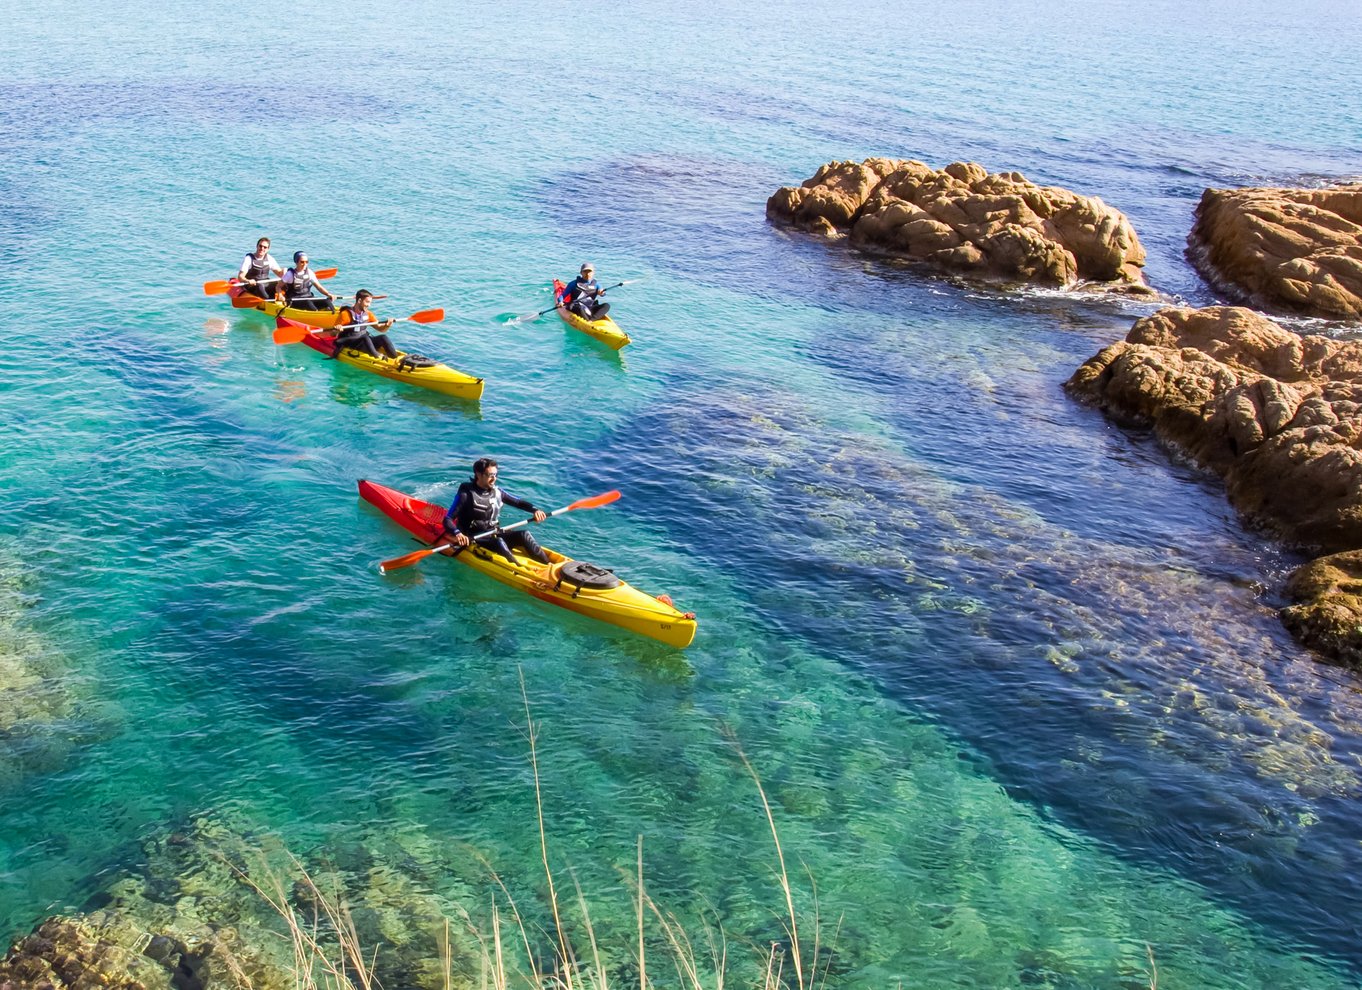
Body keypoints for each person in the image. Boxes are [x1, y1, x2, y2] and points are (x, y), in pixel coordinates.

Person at [440, 458, 550, 566]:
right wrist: (458, 533)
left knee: (524, 534)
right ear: (478, 474)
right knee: (499, 542)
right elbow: (447, 519)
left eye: (496, 475)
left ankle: (547, 564)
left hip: (493, 533)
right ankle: (520, 568)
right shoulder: (466, 494)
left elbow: (518, 502)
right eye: (490, 475)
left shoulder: (497, 492)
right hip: (475, 537)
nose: (494, 479)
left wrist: (535, 510)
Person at [330, 290, 399, 360]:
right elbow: (332, 334)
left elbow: (380, 329)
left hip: (364, 341)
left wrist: (387, 325)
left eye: (370, 302)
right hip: (350, 342)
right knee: (365, 337)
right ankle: (378, 356)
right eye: (367, 302)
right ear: (359, 300)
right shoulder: (345, 314)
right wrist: (337, 330)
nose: (369, 305)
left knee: (383, 337)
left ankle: (395, 358)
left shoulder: (368, 314)